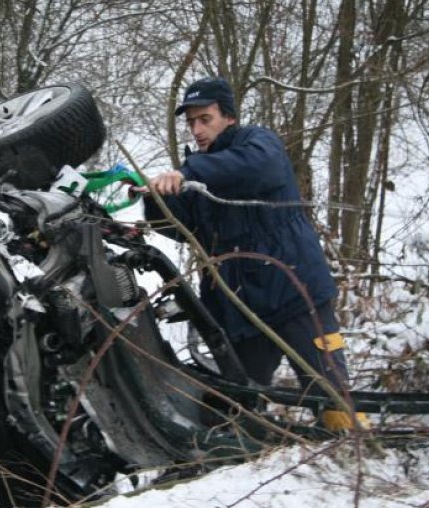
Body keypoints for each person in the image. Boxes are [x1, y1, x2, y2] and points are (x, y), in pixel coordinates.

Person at [141, 77, 360, 430]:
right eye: (191, 122)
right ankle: (238, 459)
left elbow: (255, 167)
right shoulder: (198, 169)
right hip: (242, 309)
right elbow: (180, 228)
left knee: (332, 399)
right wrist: (154, 198)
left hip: (295, 294)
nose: (196, 129)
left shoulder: (258, 144)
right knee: (235, 404)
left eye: (205, 119)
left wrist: (187, 172)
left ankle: (354, 455)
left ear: (228, 117)